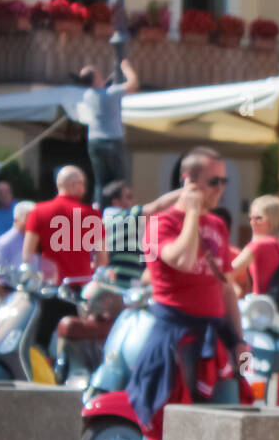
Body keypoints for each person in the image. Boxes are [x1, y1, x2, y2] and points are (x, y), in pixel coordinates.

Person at [126, 147, 246, 440]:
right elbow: (179, 258)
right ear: (190, 182)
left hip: (215, 335)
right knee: (163, 423)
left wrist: (240, 339)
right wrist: (191, 212)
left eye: (225, 181)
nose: (222, 189)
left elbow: (225, 286)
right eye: (215, 181)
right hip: (175, 333)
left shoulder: (219, 225)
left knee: (225, 422)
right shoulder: (162, 222)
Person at [23, 166, 103, 284]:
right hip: (81, 285)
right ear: (75, 184)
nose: (84, 189)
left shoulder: (38, 211)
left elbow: (28, 255)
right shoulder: (92, 215)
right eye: (82, 184)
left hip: (50, 285)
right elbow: (102, 258)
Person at [227, 195, 279, 312]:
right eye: (251, 218)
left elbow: (226, 274)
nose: (252, 223)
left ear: (274, 219)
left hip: (261, 314)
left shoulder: (258, 246)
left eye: (258, 218)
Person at [79, 59, 140, 208]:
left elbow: (100, 90)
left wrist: (106, 84)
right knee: (118, 180)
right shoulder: (111, 93)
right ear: (95, 78)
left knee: (101, 181)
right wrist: (126, 68)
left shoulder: (87, 95)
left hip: (94, 141)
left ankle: (100, 209)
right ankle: (119, 208)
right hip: (112, 140)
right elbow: (134, 84)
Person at [101, 180, 183, 285]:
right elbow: (157, 207)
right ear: (115, 202)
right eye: (129, 197)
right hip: (124, 288)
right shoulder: (125, 217)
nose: (134, 201)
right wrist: (189, 190)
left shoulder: (104, 221)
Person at [0, 200, 35, 272]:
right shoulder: (4, 242)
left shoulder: (35, 239)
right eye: (29, 219)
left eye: (34, 219)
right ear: (16, 220)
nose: (33, 222)